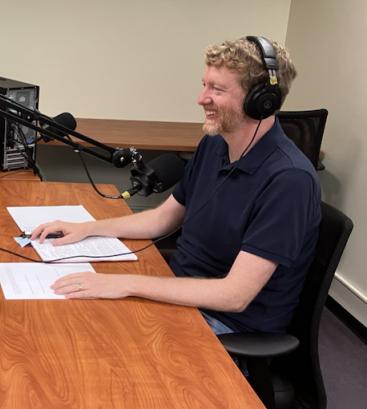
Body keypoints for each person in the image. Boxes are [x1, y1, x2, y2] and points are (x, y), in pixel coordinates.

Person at [31, 37, 321, 337]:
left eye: (217, 89)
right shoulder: (214, 144)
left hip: (228, 328)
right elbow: (164, 218)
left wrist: (127, 284)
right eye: (204, 85)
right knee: (66, 320)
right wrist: (88, 228)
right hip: (178, 297)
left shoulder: (290, 180)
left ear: (261, 100)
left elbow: (235, 295)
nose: (201, 99)